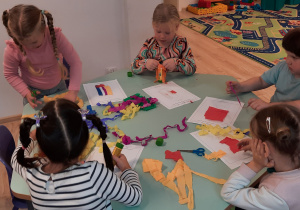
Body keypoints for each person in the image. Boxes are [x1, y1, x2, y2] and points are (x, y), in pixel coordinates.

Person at [11, 99, 142, 209]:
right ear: (85, 142)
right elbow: (135, 198)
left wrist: (33, 137)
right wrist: (126, 169)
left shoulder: (31, 172)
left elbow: (16, 158)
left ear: (42, 144)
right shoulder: (94, 174)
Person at [2, 4, 82, 108]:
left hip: (59, 87)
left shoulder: (56, 36)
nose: (28, 46)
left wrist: (73, 92)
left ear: (44, 29)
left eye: (34, 42)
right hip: (34, 94)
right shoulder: (12, 48)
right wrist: (25, 92)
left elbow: (75, 62)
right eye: (22, 42)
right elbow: (10, 74)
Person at [221, 104, 300, 210]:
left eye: (255, 140)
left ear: (265, 148)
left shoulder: (275, 195)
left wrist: (256, 164)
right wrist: (267, 150)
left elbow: (228, 193)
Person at [226, 28, 300, 111]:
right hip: (275, 113)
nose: (288, 61)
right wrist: (242, 87)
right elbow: (261, 81)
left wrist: (269, 106)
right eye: (287, 55)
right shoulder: (282, 67)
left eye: (294, 57)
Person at [131, 3, 196, 76]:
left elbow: (192, 67)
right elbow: (133, 65)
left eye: (167, 33)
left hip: (176, 85)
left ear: (176, 27)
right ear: (153, 25)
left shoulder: (181, 43)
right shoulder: (149, 44)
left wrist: (177, 63)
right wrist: (145, 63)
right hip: (152, 84)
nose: (162, 36)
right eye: (158, 31)